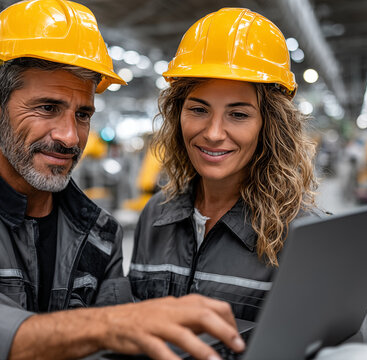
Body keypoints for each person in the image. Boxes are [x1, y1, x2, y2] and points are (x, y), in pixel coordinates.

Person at [0, 1, 245, 359]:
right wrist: (108, 324)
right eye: (47, 108)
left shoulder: (99, 235)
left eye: (83, 114)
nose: (69, 136)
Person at [129, 8, 321, 322]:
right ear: (178, 116)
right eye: (199, 109)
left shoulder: (304, 235)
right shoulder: (155, 216)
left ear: (269, 126)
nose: (214, 133)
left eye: (239, 114)